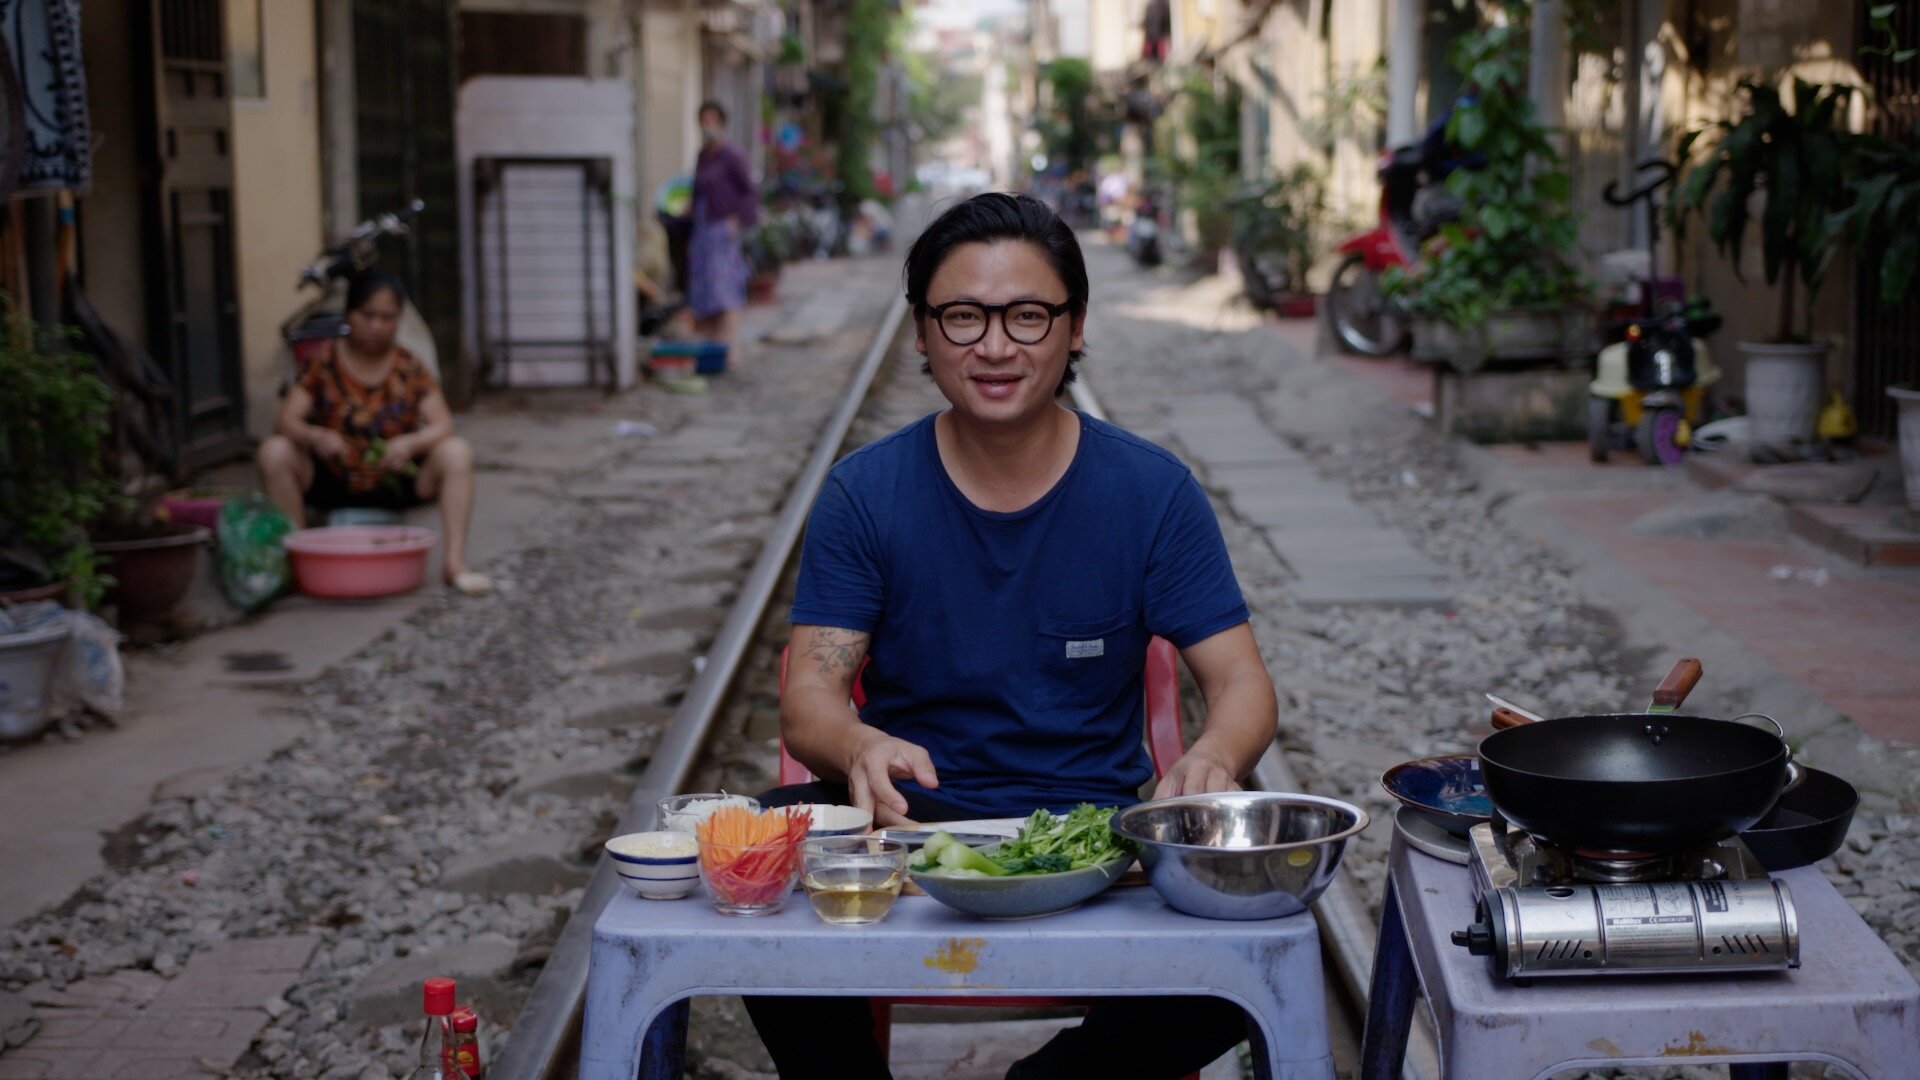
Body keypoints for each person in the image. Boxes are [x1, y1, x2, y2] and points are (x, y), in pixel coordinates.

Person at [745, 192, 1280, 1078]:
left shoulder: (1151, 493)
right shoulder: (865, 494)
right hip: (907, 830)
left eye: (1028, 315)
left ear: (1074, 328)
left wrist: (1214, 757)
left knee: (1260, 922)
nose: (995, 346)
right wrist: (857, 742)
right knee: (754, 844)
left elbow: (1242, 683)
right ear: (921, 333)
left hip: (1095, 841)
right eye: (962, 317)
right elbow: (810, 697)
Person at [256, 269, 492, 596]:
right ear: (349, 314)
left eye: (387, 317)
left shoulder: (409, 366)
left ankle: (454, 563)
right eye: (368, 315)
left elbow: (443, 425)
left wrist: (410, 444)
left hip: (395, 480)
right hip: (333, 478)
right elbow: (286, 422)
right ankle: (298, 564)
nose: (377, 326)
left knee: (457, 451)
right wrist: (316, 437)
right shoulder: (322, 362)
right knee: (275, 451)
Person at [687, 101, 759, 346]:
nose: (708, 126)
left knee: (724, 287)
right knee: (704, 288)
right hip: (703, 226)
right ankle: (714, 348)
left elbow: (748, 191)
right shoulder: (702, 156)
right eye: (704, 121)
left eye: (712, 121)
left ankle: (730, 347)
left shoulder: (733, 155)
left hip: (722, 227)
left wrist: (736, 219)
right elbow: (696, 191)